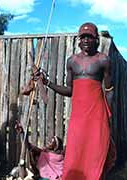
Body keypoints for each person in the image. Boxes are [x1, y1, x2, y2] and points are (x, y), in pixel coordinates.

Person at [33, 22, 116, 180]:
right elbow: (70, 90)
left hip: (97, 115)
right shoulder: (71, 61)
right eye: (83, 37)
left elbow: (109, 90)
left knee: (97, 152)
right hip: (78, 116)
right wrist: (47, 83)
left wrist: (108, 115)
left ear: (96, 39)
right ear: (79, 40)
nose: (86, 40)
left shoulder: (103, 60)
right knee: (75, 151)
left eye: (89, 37)